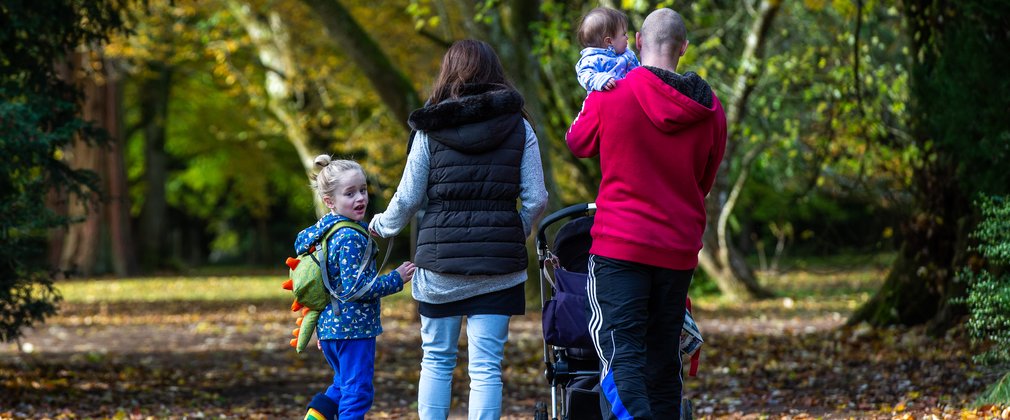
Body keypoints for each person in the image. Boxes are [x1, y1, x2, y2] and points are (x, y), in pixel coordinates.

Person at [369, 39, 548, 419]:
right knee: (486, 368)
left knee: (436, 360)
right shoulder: (520, 127)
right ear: (494, 73)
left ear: (448, 73)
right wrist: (513, 229)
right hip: (499, 269)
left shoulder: (429, 131)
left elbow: (408, 198)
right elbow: (537, 199)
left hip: (439, 267)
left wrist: (380, 227)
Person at [565, 8, 727, 420]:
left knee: (622, 357)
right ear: (684, 48)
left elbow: (579, 142)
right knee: (662, 358)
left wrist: (594, 92)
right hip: (677, 249)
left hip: (620, 246)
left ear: (637, 40)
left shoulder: (610, 92)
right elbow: (703, 181)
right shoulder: (711, 109)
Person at [294, 156, 416, 420]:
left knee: (342, 385)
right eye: (349, 193)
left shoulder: (328, 230)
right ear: (330, 201)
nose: (360, 198)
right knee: (357, 391)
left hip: (332, 328)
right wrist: (396, 278)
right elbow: (354, 289)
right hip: (353, 328)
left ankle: (314, 418)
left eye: (362, 190)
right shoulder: (349, 237)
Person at [576, 7, 640, 92]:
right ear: (609, 41)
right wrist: (600, 80)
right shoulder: (592, 59)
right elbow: (584, 75)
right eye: (624, 34)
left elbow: (639, 70)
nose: (627, 37)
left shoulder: (628, 54)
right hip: (609, 101)